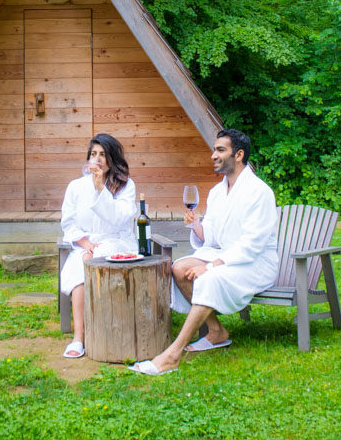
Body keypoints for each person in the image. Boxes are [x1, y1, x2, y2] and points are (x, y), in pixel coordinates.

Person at [128, 129, 278, 375]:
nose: (213, 155)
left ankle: (172, 355)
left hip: (255, 263)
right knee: (179, 268)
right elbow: (213, 235)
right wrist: (197, 226)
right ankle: (216, 331)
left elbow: (253, 244)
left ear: (239, 155)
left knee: (206, 277)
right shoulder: (218, 191)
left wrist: (211, 265)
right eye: (214, 149)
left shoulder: (259, 192)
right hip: (226, 254)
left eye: (220, 150)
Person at [59, 133, 138, 359]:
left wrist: (101, 187)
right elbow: (69, 222)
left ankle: (109, 329)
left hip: (115, 241)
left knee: (95, 260)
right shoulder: (75, 187)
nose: (98, 159)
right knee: (79, 272)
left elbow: (120, 219)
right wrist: (84, 242)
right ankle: (79, 338)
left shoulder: (124, 185)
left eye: (103, 154)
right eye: (93, 154)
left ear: (112, 158)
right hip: (85, 244)